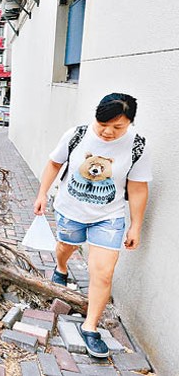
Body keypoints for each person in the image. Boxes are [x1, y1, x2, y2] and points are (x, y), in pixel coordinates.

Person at [33, 93, 152, 358]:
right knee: (66, 247)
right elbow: (54, 163)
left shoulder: (137, 146)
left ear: (130, 123)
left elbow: (138, 187)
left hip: (108, 217)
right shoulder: (77, 134)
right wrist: (42, 194)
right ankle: (61, 267)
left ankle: (90, 326)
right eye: (103, 124)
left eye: (118, 127)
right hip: (71, 209)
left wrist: (135, 226)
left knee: (103, 273)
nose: (109, 132)